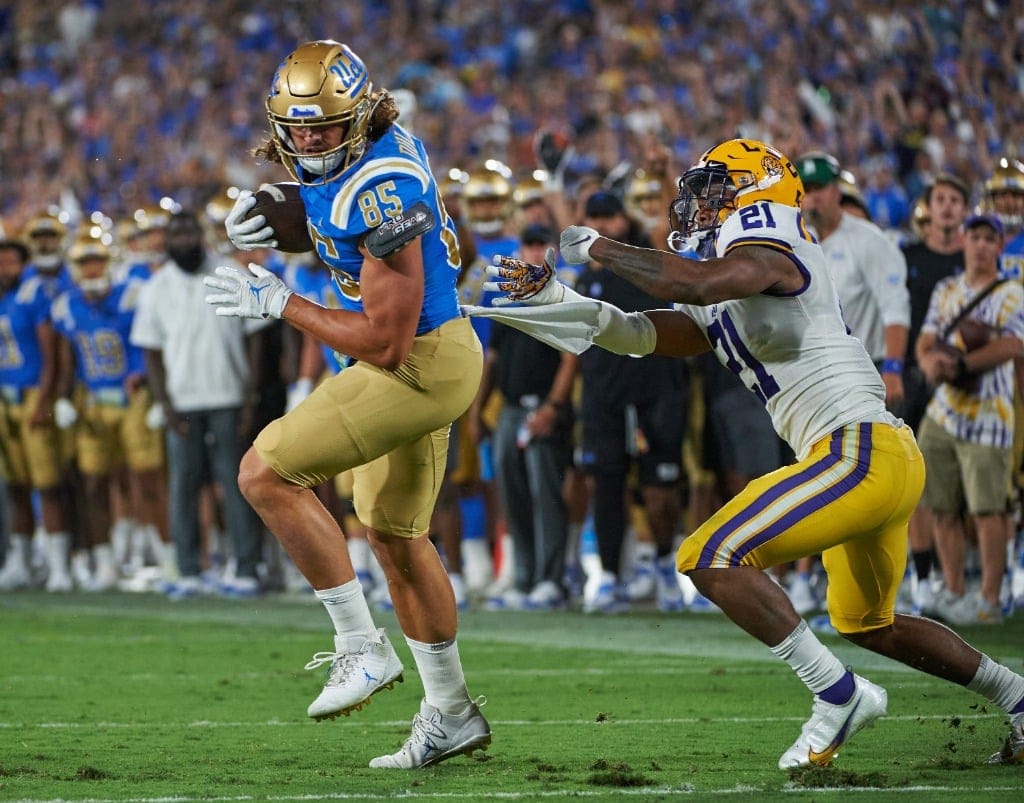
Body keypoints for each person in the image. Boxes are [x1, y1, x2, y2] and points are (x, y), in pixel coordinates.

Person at [474, 138, 1024, 768]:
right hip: (869, 455)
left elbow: (698, 284)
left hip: (858, 451)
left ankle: (836, 693)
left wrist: (596, 247)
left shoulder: (772, 247)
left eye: (715, 188)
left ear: (758, 188)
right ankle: (1020, 699)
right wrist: (566, 307)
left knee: (710, 553)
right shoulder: (732, 275)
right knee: (869, 623)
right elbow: (649, 333)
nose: (700, 205)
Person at [204, 40, 490, 769]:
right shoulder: (355, 158)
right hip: (427, 352)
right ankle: (452, 712)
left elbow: (387, 341)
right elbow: (327, 216)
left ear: (358, 119)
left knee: (265, 474)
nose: (306, 142)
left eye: (322, 130)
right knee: (394, 536)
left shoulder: (384, 184)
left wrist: (281, 300)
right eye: (294, 129)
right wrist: (272, 209)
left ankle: (360, 644)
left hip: (415, 362)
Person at [130, 209, 267, 599]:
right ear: (167, 240)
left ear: (203, 234)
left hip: (229, 395)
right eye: (177, 232)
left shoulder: (231, 272)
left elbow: (255, 335)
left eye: (191, 230)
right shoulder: (156, 287)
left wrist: (250, 395)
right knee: (184, 487)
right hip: (183, 401)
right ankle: (188, 568)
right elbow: (151, 351)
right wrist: (166, 404)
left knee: (236, 485)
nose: (185, 238)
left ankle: (245, 567)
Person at [915, 212, 1024, 624]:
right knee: (939, 506)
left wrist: (959, 365)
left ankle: (990, 600)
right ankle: (956, 592)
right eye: (974, 236)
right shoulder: (946, 289)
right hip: (943, 412)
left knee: (988, 510)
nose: (980, 245)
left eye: (987, 238)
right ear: (963, 241)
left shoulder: (1011, 292)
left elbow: (1014, 345)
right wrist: (929, 363)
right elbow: (925, 336)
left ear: (998, 246)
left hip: (990, 415)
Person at [468, 223, 577, 610]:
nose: (533, 253)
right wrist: (477, 410)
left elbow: (569, 358)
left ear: (553, 252)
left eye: (540, 245)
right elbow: (492, 358)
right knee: (512, 494)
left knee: (545, 492)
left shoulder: (564, 297)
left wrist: (553, 407)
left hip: (543, 408)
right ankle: (525, 576)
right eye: (528, 245)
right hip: (511, 407)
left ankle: (552, 579)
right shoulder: (508, 297)